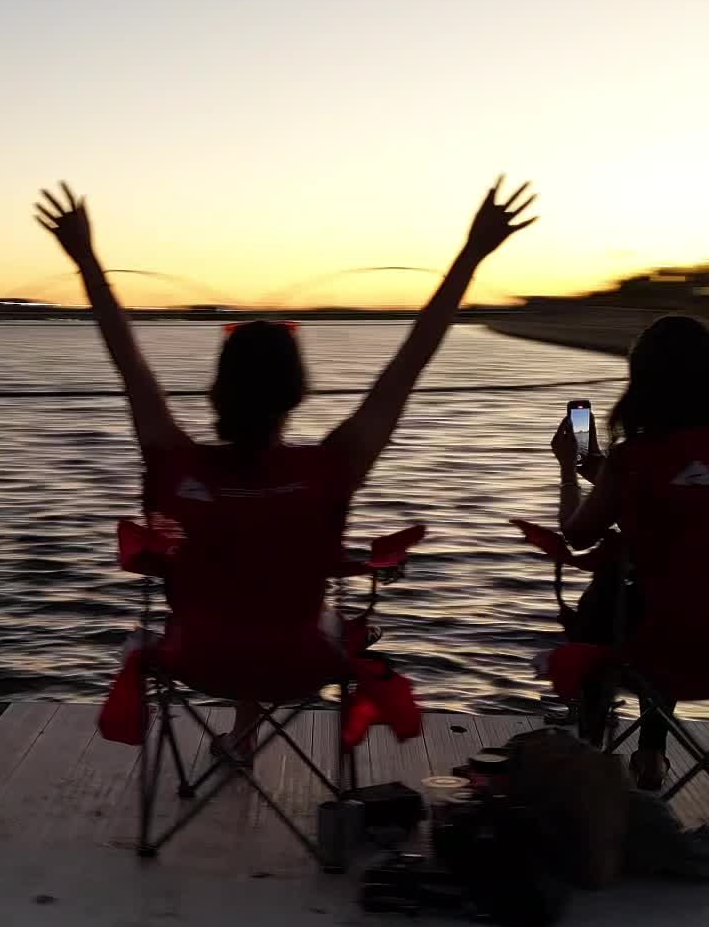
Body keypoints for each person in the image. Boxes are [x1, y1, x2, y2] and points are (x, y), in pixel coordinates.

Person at [36, 178, 536, 757]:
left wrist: (86, 258)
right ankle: (248, 731)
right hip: (302, 663)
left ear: (218, 390)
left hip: (196, 660)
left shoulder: (175, 463)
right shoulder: (332, 466)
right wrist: (472, 254)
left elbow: (130, 365)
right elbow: (409, 364)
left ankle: (242, 734)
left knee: (236, 607)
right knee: (303, 616)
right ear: (297, 391)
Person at [552, 313, 709, 788]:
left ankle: (591, 746)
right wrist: (608, 477)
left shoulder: (634, 460)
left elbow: (578, 534)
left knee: (618, 599)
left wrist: (569, 470)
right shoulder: (630, 466)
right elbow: (685, 507)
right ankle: (652, 753)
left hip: (659, 643)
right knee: (685, 590)